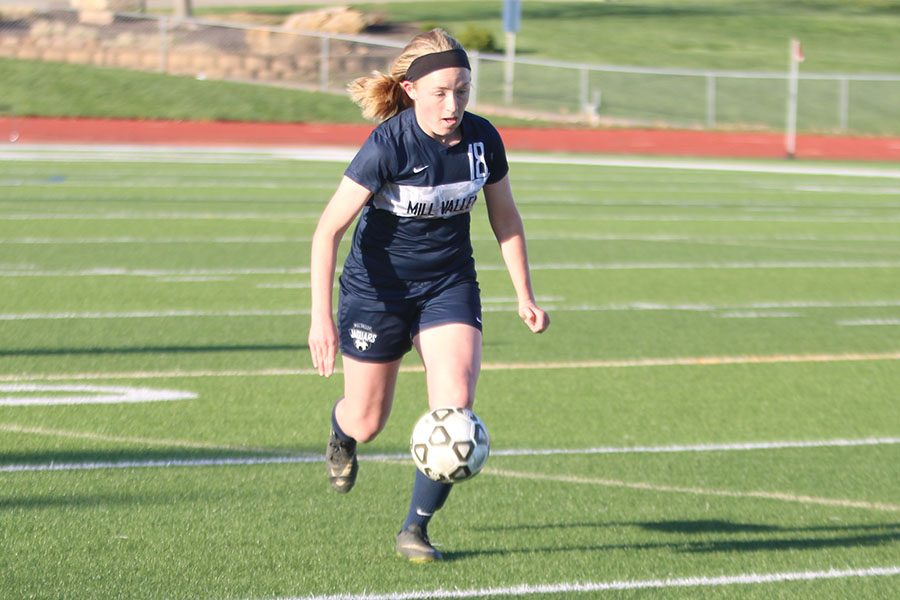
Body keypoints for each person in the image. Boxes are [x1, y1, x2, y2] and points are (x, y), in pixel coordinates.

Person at [308, 28, 549, 562]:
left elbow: (505, 218)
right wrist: (320, 320)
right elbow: (327, 232)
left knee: (456, 410)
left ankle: (414, 528)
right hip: (377, 292)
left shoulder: (483, 140)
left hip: (449, 285)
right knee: (369, 421)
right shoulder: (387, 144)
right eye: (441, 92)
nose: (453, 104)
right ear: (411, 89)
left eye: (462, 90)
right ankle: (341, 432)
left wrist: (524, 294)